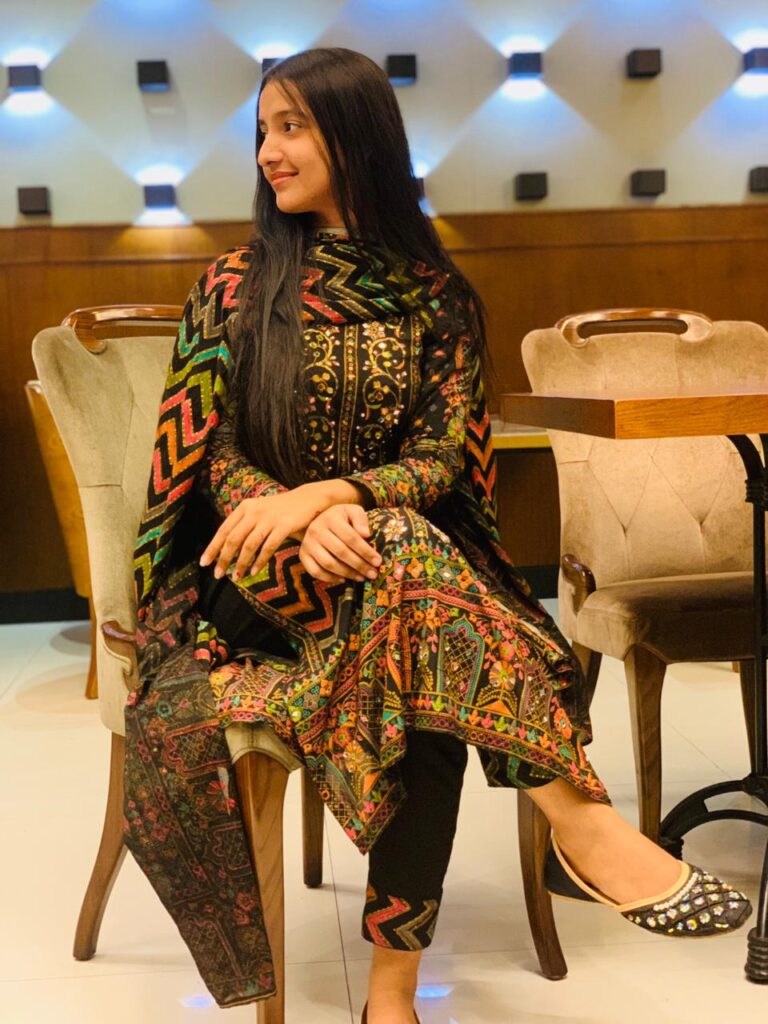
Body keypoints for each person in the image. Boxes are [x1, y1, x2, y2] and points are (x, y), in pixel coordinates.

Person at [125, 47, 751, 1024]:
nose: (269, 152)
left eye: (292, 127)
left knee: (418, 646)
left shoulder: (435, 296)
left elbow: (441, 459)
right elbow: (206, 457)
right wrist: (289, 516)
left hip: (385, 568)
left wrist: (336, 500)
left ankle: (393, 996)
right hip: (248, 582)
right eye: (262, 131)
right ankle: (579, 819)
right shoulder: (232, 287)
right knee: (416, 579)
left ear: (358, 137)